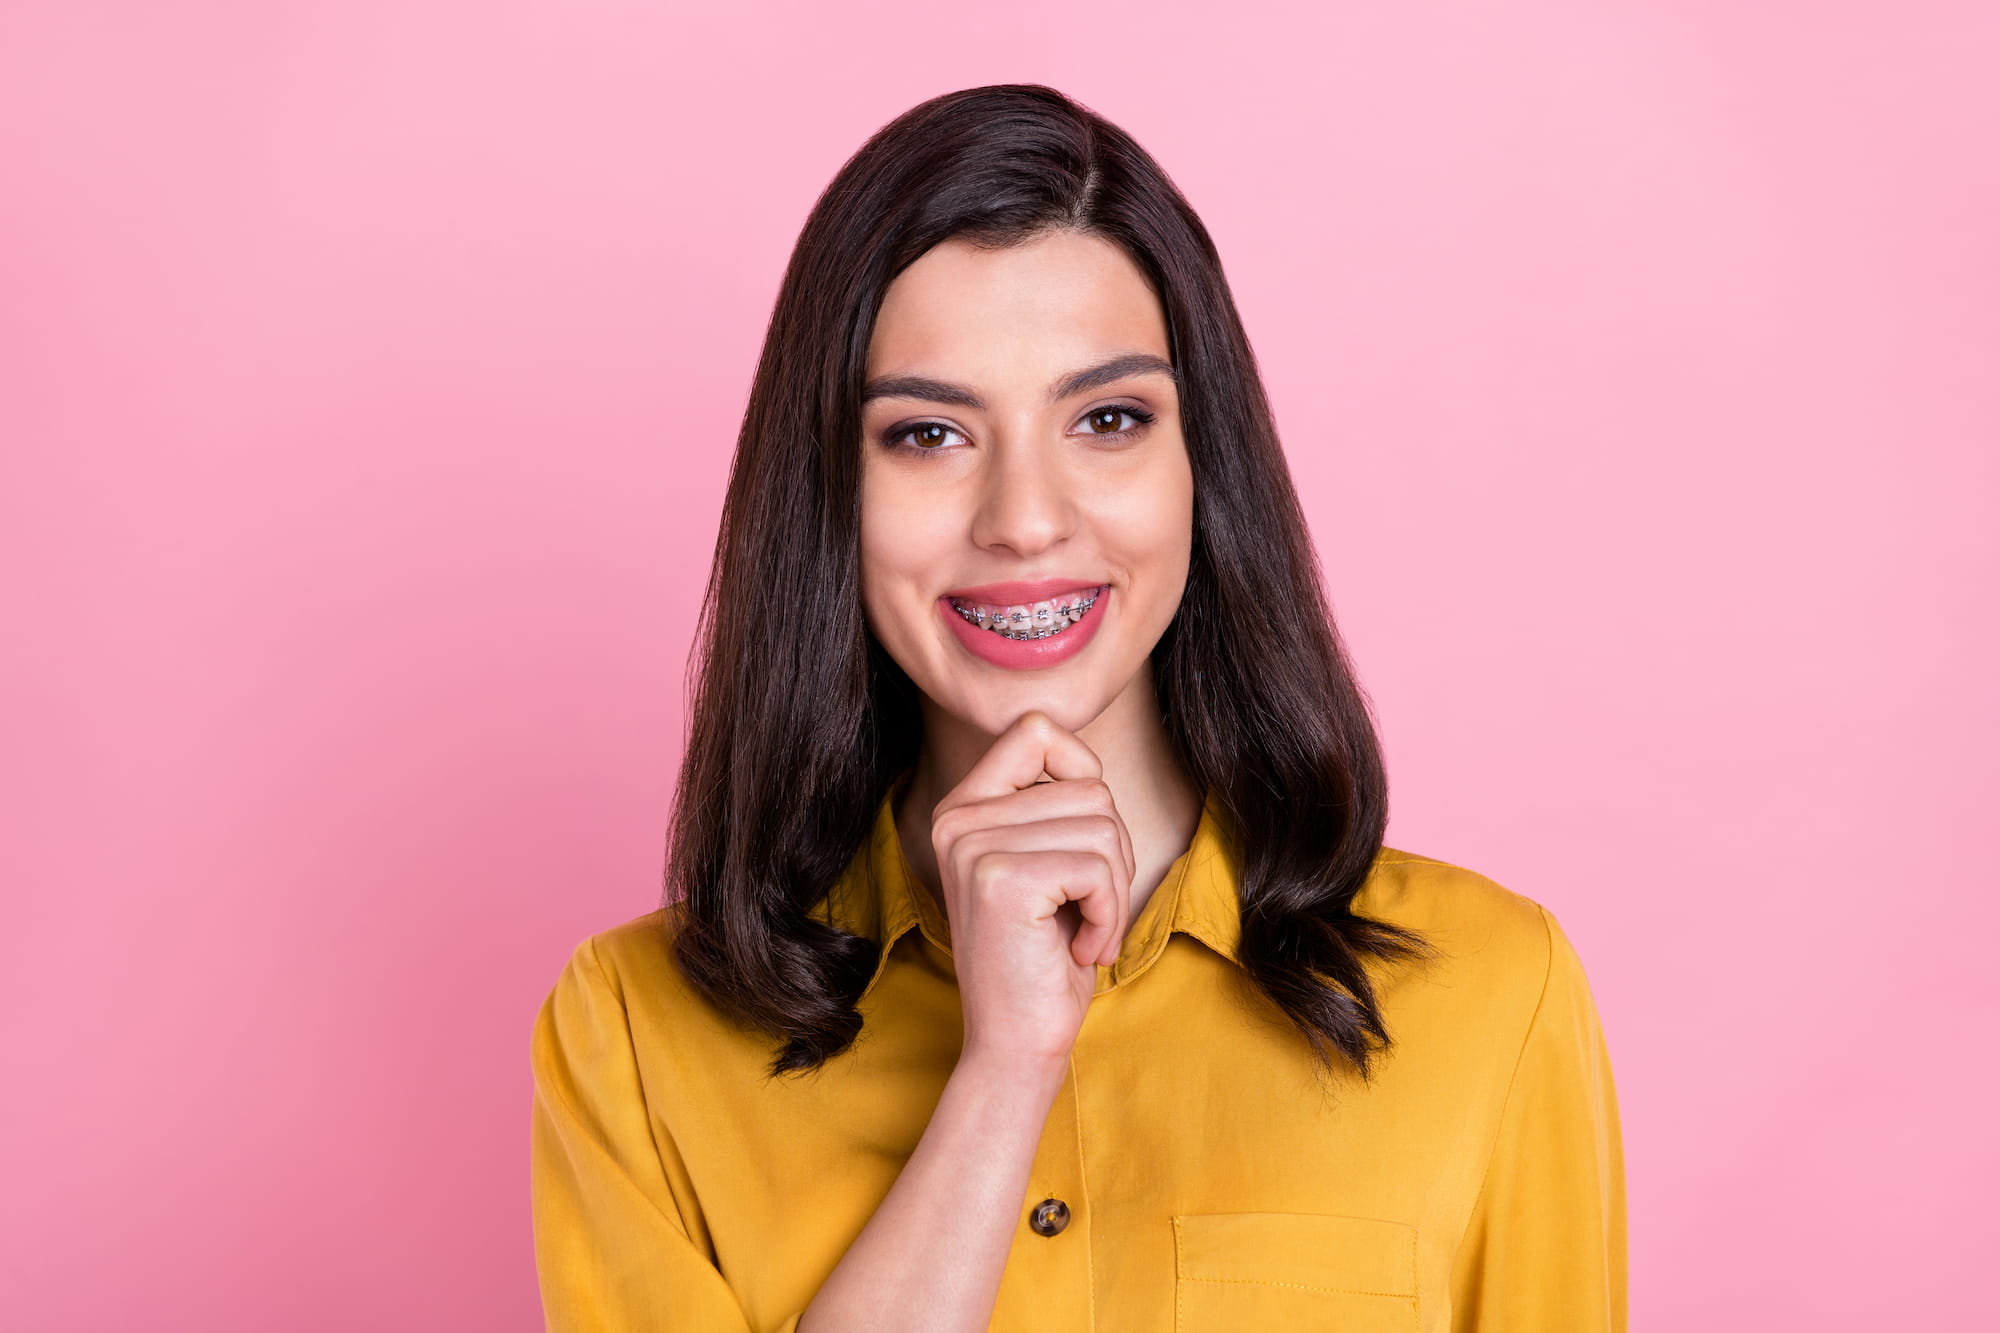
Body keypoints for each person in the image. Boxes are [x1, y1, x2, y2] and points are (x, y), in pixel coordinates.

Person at [529, 83, 1626, 1333]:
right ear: (828, 489)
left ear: (1201, 464)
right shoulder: (634, 1032)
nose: (1025, 519)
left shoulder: (1492, 993)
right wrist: (1003, 1074)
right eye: (927, 434)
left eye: (1107, 419)